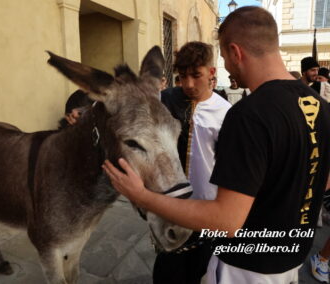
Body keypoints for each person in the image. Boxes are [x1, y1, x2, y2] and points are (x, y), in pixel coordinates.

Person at [103, 6, 330, 284]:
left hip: (247, 267)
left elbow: (227, 221)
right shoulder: (321, 107)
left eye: (225, 57)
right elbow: (324, 182)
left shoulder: (250, 114)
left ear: (235, 52)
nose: (228, 66)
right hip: (290, 258)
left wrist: (142, 197)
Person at [156, 41, 231, 284]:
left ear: (211, 72)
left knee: (201, 269)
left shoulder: (226, 112)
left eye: (195, 75)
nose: (188, 84)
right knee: (167, 270)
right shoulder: (165, 100)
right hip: (170, 204)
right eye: (182, 76)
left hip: (209, 206)